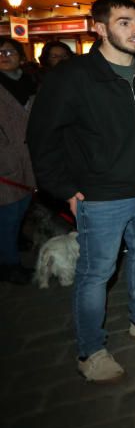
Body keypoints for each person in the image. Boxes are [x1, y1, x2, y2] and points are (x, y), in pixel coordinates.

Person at [27, 0, 135, 383]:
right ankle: (90, 350)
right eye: (124, 22)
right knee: (96, 272)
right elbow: (42, 138)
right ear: (99, 27)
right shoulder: (72, 77)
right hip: (100, 195)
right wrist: (65, 189)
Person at [0, 38, 36, 285]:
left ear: (21, 57)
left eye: (10, 51)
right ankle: (9, 265)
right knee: (9, 214)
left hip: (30, 158)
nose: (4, 55)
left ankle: (12, 249)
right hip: (5, 160)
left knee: (22, 207)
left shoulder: (30, 82)